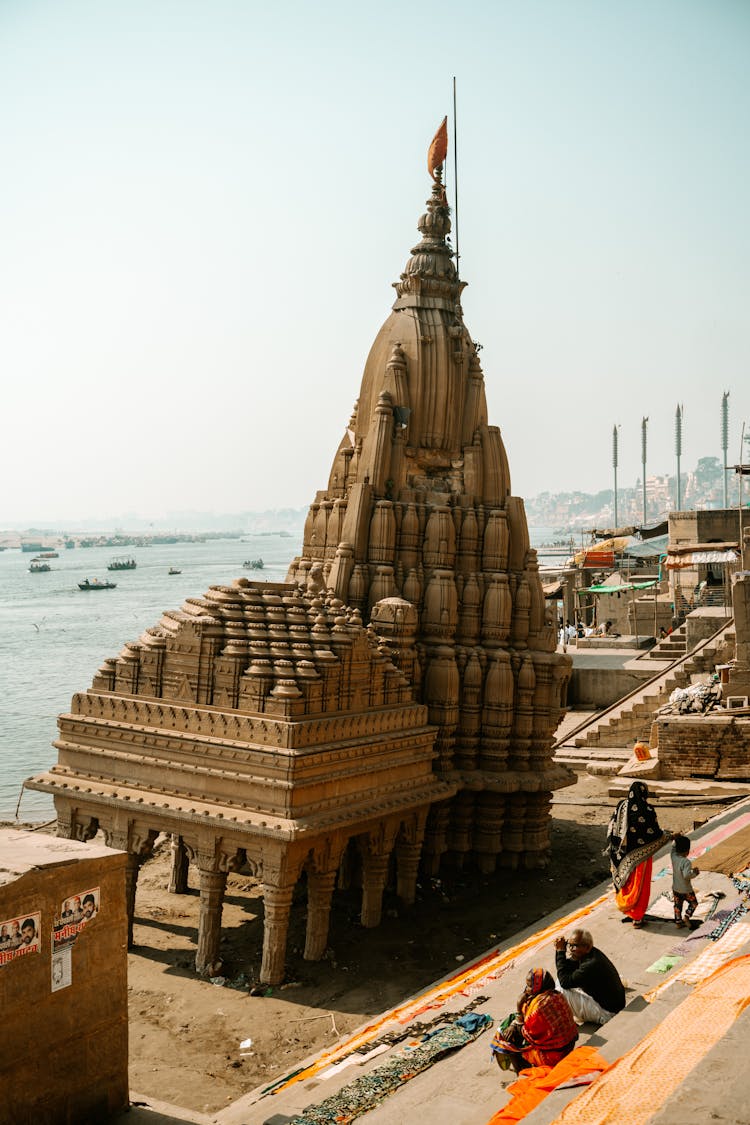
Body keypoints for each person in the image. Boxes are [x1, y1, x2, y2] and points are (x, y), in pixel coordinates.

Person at [605, 780, 672, 927]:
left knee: (626, 882)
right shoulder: (647, 809)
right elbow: (653, 832)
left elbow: (612, 825)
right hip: (640, 855)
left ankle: (628, 909)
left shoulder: (621, 806)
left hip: (621, 854)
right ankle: (637, 917)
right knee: (640, 885)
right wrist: (667, 836)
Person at [490, 967, 578, 1073]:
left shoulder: (539, 1006)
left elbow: (527, 1033)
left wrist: (519, 1006)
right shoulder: (556, 995)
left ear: (537, 987)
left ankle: (521, 1070)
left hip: (556, 1055)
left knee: (509, 1035)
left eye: (529, 986)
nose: (526, 989)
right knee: (512, 1021)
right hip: (568, 1045)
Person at [554, 929, 625, 1026]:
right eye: (569, 945)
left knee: (560, 992)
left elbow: (565, 982)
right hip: (610, 1002)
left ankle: (565, 1026)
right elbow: (565, 971)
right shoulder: (590, 953)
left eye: (575, 946)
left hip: (607, 1012)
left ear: (587, 947)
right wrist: (561, 951)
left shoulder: (591, 964)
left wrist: (560, 951)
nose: (571, 949)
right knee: (560, 979)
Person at [671, 834, 701, 929]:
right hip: (686, 890)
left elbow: (672, 848)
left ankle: (678, 922)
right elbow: (687, 875)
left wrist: (675, 839)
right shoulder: (686, 862)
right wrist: (695, 873)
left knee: (677, 906)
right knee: (694, 903)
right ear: (687, 851)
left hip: (676, 888)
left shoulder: (673, 856)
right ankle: (686, 917)